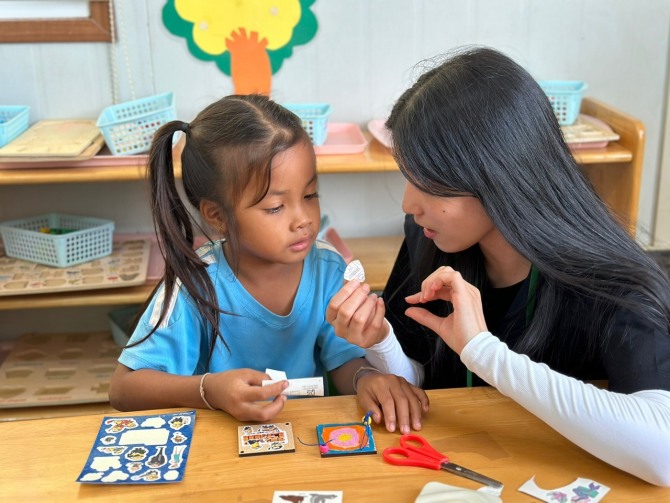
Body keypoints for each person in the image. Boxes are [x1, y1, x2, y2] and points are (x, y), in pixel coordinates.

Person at [327, 46, 670, 486]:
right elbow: (422, 382)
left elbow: (662, 453)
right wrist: (381, 342)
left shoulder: (614, 283)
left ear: (501, 176)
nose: (410, 204)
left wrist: (486, 353)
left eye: (431, 185)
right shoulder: (430, 238)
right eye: (408, 177)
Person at [108, 94, 426, 422]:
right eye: (275, 207)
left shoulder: (327, 268)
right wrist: (209, 390)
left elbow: (343, 359)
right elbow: (124, 389)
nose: (303, 219)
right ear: (216, 215)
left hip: (306, 442)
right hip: (220, 449)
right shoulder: (196, 283)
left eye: (310, 195)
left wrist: (366, 379)